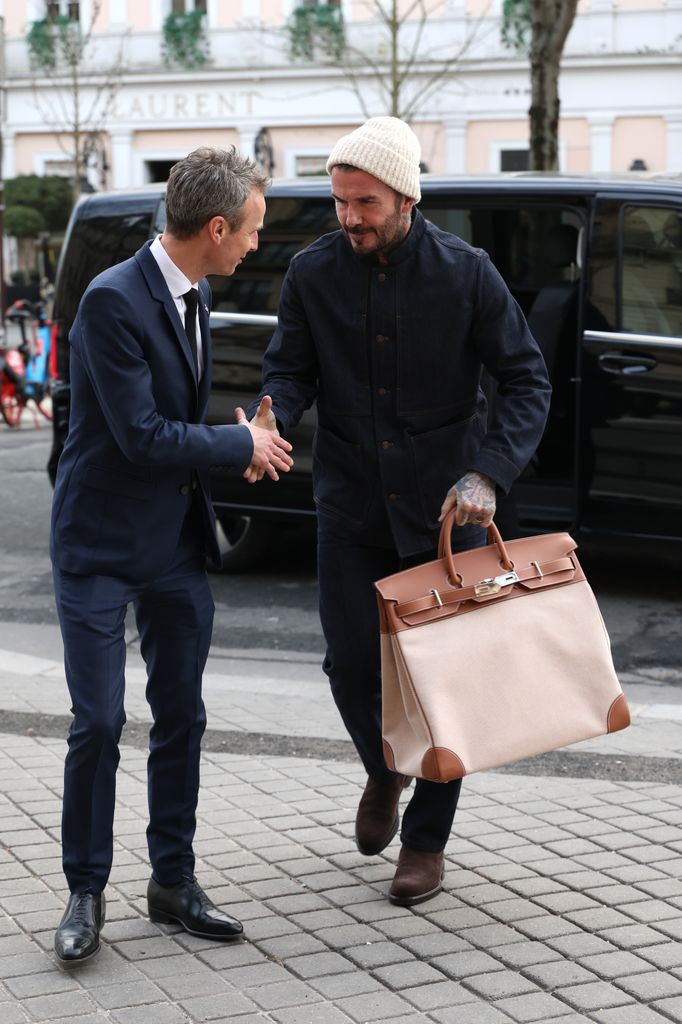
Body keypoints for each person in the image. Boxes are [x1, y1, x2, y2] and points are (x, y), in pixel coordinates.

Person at [246, 118, 551, 906]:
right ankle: (384, 771)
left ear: (406, 196)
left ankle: (426, 839)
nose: (348, 217)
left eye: (365, 202)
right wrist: (271, 413)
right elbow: (289, 370)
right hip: (349, 504)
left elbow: (526, 380)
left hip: (447, 513)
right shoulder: (313, 273)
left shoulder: (467, 273)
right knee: (350, 664)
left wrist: (490, 472)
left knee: (444, 681)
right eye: (340, 202)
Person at [50, 147, 293, 964]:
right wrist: (236, 442)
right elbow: (141, 435)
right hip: (98, 547)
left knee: (182, 715)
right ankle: (85, 891)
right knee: (99, 720)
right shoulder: (112, 300)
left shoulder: (199, 294)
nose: (255, 245)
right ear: (216, 227)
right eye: (253, 230)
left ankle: (172, 884)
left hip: (174, 546)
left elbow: (175, 428)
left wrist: (240, 442)